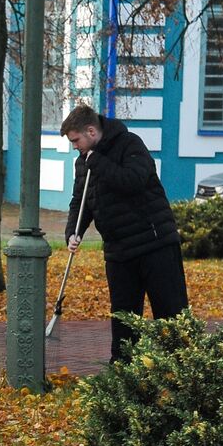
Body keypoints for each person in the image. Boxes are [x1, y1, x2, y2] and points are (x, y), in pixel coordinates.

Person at [61, 104, 188, 361]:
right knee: (123, 317)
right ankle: (122, 369)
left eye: (76, 141)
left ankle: (181, 366)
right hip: (118, 251)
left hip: (155, 244)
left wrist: (97, 162)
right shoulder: (83, 162)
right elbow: (80, 201)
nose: (75, 147)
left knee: (170, 312)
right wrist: (73, 232)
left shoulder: (130, 144)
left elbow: (132, 181)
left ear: (91, 131)